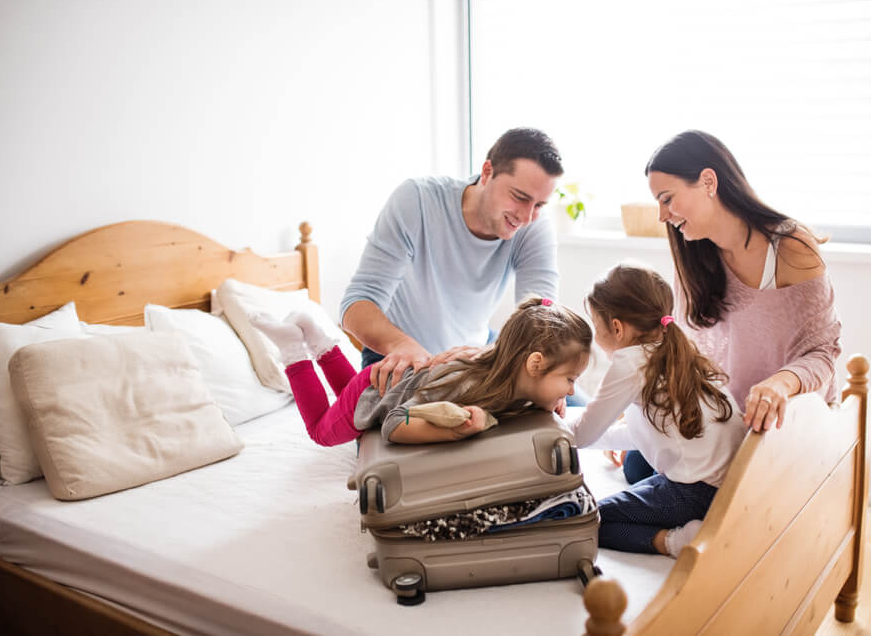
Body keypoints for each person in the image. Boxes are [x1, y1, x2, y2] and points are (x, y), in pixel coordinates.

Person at [619, 129, 842, 483]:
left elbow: (823, 352)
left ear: (708, 181)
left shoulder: (790, 246)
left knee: (650, 476)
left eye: (667, 198)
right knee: (635, 463)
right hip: (721, 420)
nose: (662, 215)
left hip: (778, 420)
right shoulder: (693, 254)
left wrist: (780, 384)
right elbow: (680, 347)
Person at [340, 127, 563, 396]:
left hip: (480, 352)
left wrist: (493, 354)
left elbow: (541, 318)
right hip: (400, 355)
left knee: (571, 411)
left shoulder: (534, 227)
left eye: (539, 205)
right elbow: (356, 304)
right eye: (519, 197)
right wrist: (401, 344)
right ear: (487, 171)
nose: (526, 217)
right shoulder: (417, 201)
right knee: (402, 432)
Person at [568, 264, 746, 558]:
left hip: (697, 493)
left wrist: (546, 426)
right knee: (635, 466)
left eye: (595, 326)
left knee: (591, 521)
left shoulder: (630, 362)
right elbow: (645, 434)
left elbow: (582, 434)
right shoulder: (678, 347)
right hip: (730, 483)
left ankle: (678, 541)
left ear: (616, 328)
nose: (595, 337)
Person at [252, 298, 591, 446]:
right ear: (533, 364)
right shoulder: (468, 386)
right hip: (376, 394)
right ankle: (293, 350)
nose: (572, 391)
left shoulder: (513, 382)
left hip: (375, 385)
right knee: (322, 432)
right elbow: (394, 423)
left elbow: (532, 399)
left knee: (348, 395)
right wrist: (455, 431)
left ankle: (318, 337)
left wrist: (551, 400)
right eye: (570, 380)